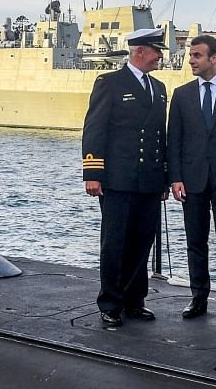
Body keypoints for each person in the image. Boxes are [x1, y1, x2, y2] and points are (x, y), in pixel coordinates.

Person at [82, 27, 169, 327]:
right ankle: (110, 302)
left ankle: (134, 300)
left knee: (142, 241)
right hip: (117, 179)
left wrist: (165, 178)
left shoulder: (158, 88)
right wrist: (93, 172)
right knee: (115, 242)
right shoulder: (110, 83)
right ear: (140, 51)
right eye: (157, 50)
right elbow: (95, 128)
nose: (160, 56)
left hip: (148, 180)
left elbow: (160, 136)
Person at [168, 35, 216, 322]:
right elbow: (173, 140)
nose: (191, 60)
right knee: (195, 241)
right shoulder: (182, 94)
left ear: (214, 58)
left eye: (197, 55)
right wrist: (175, 178)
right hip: (192, 180)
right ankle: (198, 296)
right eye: (191, 55)